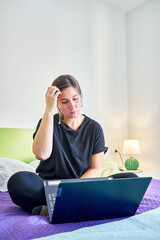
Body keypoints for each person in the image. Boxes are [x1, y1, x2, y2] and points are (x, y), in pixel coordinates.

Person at [7, 74, 108, 215]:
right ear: (57, 104)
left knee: (129, 179)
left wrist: (73, 190)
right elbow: (41, 154)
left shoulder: (94, 128)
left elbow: (95, 168)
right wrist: (49, 110)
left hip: (79, 186)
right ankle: (62, 207)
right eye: (65, 101)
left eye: (75, 99)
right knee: (17, 181)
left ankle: (51, 208)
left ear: (81, 96)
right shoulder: (47, 122)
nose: (73, 106)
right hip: (49, 187)